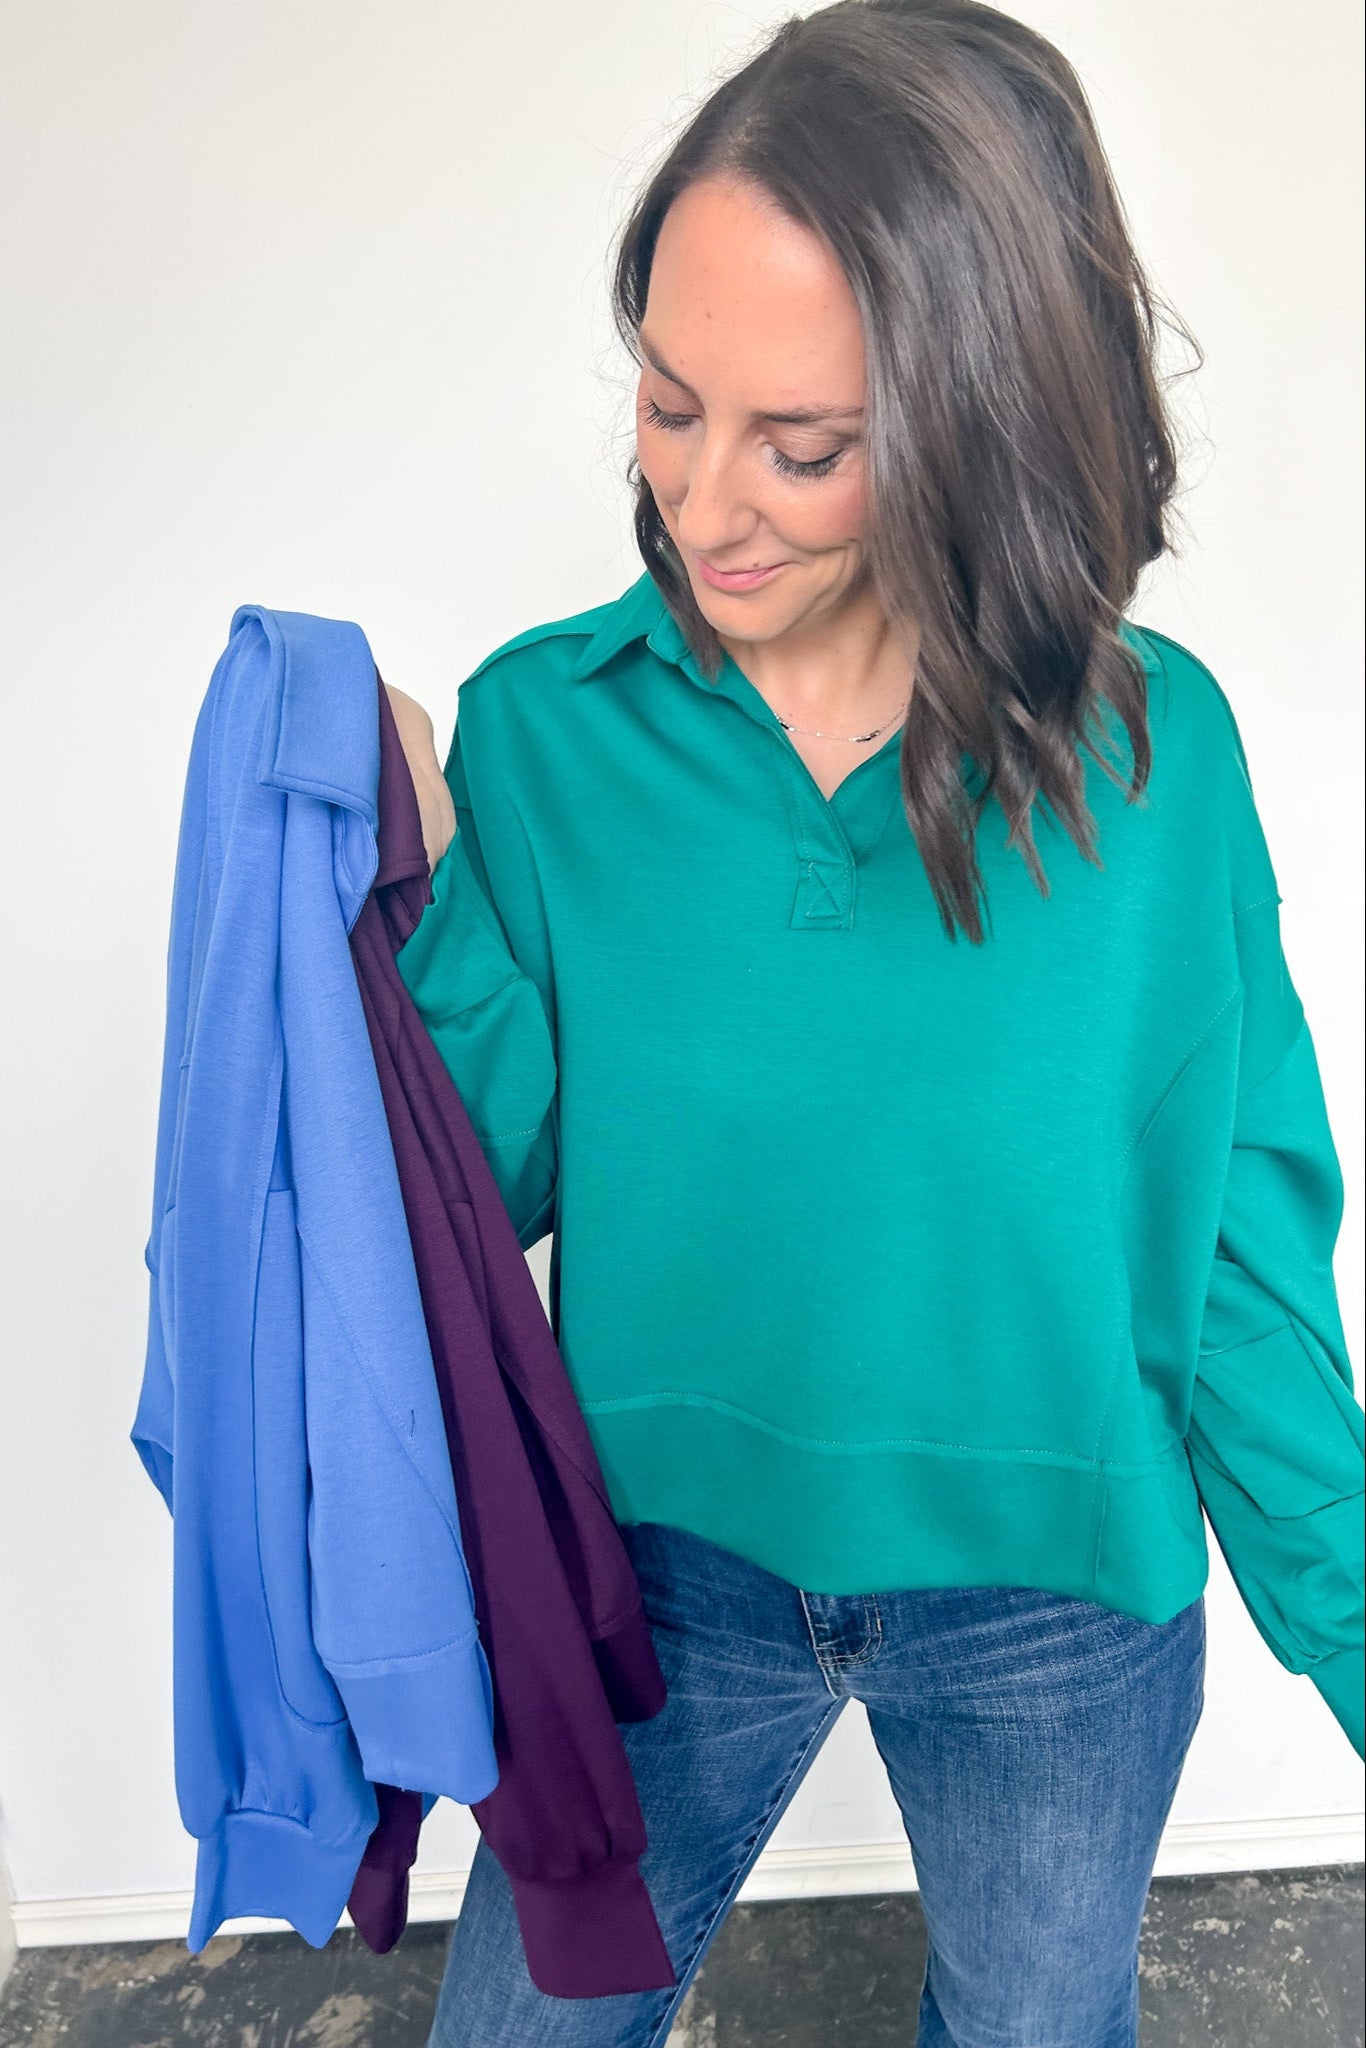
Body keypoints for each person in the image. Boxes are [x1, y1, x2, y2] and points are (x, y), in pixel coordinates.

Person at [382, 3, 1365, 2042]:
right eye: (664, 404)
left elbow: (1237, 1275)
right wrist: (408, 897)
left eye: (798, 447)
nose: (699, 503)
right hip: (655, 1581)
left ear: (976, 417)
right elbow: (463, 1210)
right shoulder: (550, 735)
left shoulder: (1152, 762)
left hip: (1056, 1601)